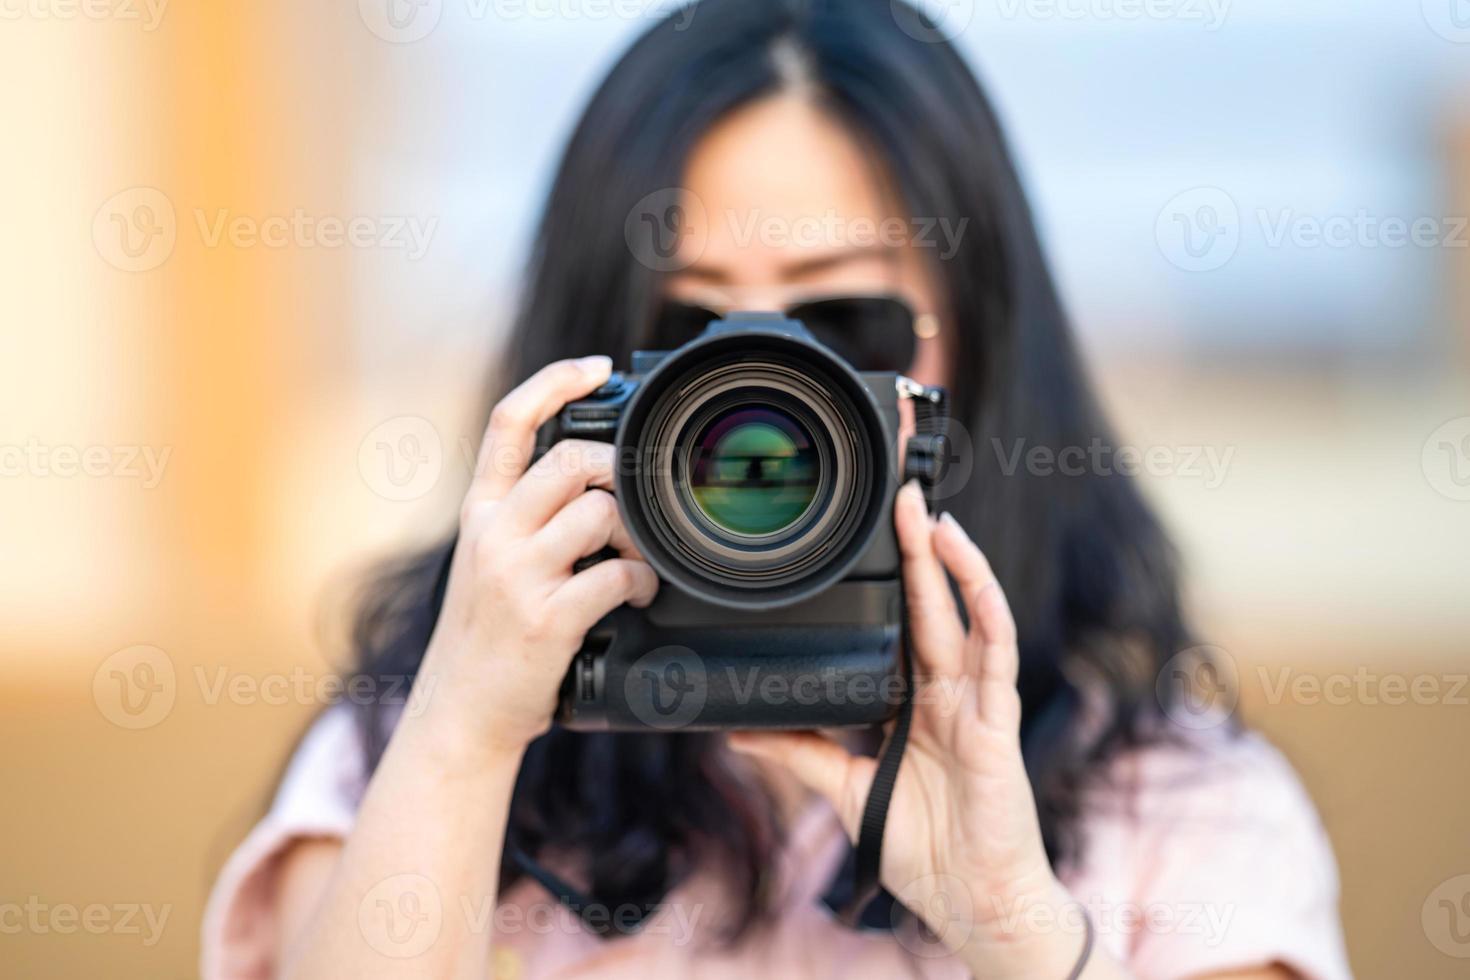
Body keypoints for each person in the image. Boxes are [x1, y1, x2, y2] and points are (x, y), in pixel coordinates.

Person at [203, 1, 1350, 976]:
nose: (762, 407)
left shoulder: (1186, 809)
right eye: (683, 329)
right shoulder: (418, 746)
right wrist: (462, 736)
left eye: (847, 323)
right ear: (580, 373)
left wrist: (1020, 930)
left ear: (980, 351)